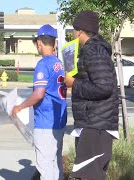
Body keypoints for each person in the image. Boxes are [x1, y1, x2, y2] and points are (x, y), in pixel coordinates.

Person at [65, 11, 119, 180]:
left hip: (96, 126)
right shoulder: (91, 50)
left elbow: (103, 88)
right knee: (88, 175)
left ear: (80, 31)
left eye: (74, 29)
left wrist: (74, 83)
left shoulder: (94, 52)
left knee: (88, 176)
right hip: (92, 123)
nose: (73, 33)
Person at [12, 24, 67, 180]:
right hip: (59, 120)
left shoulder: (43, 64)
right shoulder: (58, 63)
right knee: (56, 166)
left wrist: (20, 106)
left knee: (46, 169)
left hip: (46, 123)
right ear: (54, 43)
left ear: (40, 43)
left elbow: (39, 94)